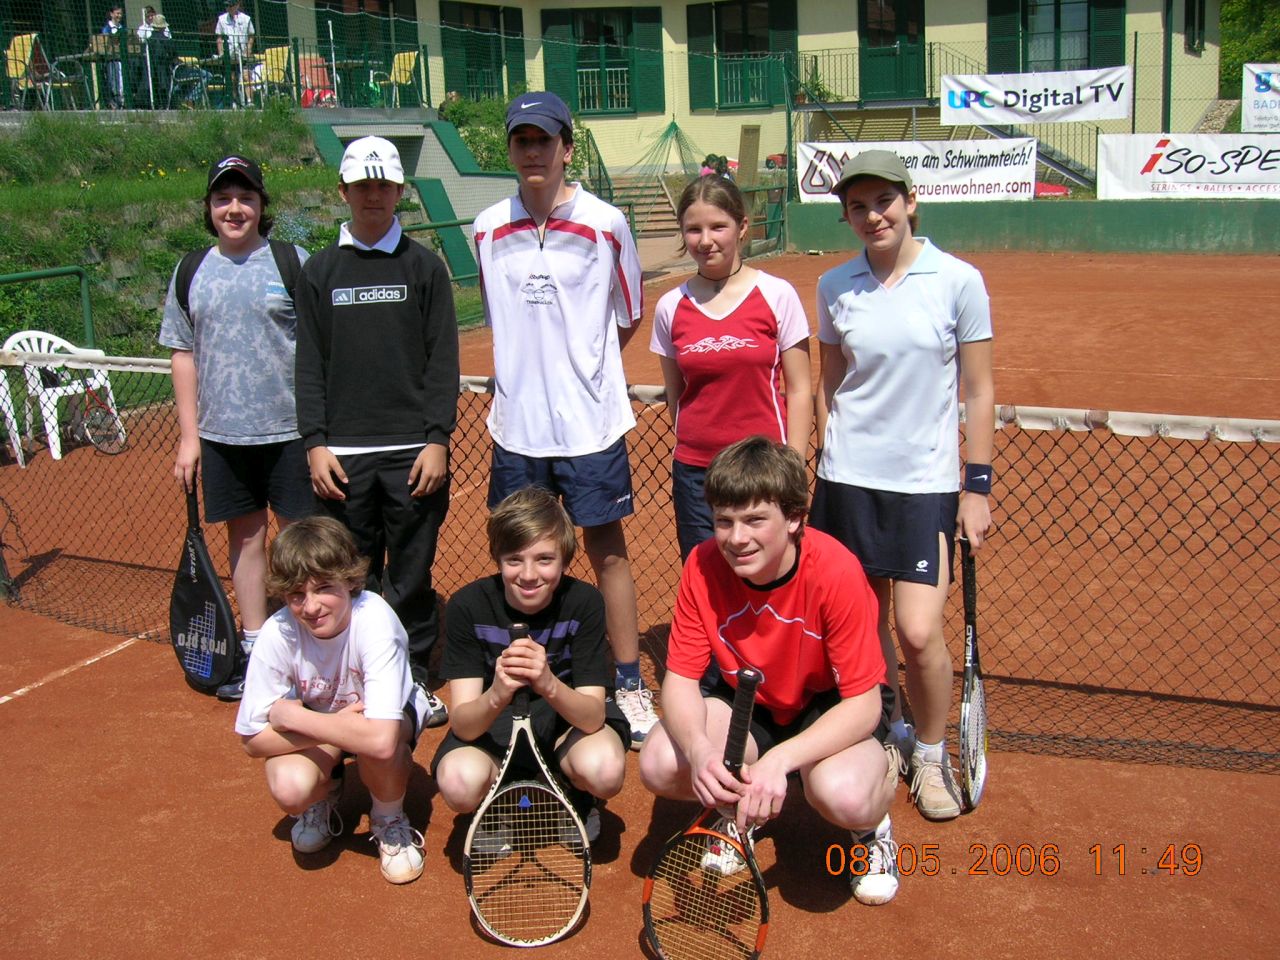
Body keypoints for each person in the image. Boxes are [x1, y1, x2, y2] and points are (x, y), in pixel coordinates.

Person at [810, 150, 994, 822]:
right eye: (857, 207)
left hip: (925, 487)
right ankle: (888, 734)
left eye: (883, 201)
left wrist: (976, 484)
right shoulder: (835, 286)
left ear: (910, 201)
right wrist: (826, 446)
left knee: (917, 632)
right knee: (863, 629)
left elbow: (979, 389)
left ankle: (930, 750)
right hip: (848, 482)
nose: (871, 216)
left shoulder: (959, 281)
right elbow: (828, 377)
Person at [637, 437, 902, 905]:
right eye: (724, 521)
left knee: (841, 793)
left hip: (830, 706)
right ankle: (737, 812)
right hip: (749, 702)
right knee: (661, 761)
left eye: (755, 519)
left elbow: (863, 702)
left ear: (795, 519)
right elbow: (679, 678)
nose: (737, 538)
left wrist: (780, 761)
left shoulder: (837, 570)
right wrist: (700, 752)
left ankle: (870, 827)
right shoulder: (701, 565)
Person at [472, 91, 659, 747]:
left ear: (567, 148)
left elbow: (628, 312)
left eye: (544, 140)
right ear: (512, 149)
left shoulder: (608, 223)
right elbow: (501, 317)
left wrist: (585, 369)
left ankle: (629, 683)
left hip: (590, 427)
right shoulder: (487, 226)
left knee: (608, 554)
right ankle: (525, 674)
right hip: (516, 427)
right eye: (522, 140)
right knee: (520, 557)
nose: (533, 151)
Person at [294, 135, 457, 732]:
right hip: (340, 459)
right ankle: (351, 679)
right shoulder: (320, 271)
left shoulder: (423, 268)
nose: (373, 196)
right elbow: (308, 364)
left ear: (399, 193)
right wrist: (314, 442)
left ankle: (410, 679)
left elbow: (441, 361)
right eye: (361, 186)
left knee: (411, 575)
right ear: (343, 191)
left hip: (414, 454)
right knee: (347, 574)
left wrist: (436, 438)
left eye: (383, 185)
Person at [158, 155, 313, 702]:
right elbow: (183, 355)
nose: (234, 208)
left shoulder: (294, 262)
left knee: (300, 545)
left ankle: (306, 647)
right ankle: (253, 647)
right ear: (208, 208)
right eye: (223, 199)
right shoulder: (191, 270)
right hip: (223, 436)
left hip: (292, 434)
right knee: (245, 543)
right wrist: (189, 436)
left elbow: (322, 348)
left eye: (245, 197)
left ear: (261, 206)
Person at [234, 516, 430, 884]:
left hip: (381, 721)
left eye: (324, 587)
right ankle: (324, 795)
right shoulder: (277, 633)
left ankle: (388, 819)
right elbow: (251, 740)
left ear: (350, 581)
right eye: (296, 595)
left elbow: (382, 738)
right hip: (339, 721)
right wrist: (337, 730)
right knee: (290, 787)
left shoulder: (374, 620)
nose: (310, 607)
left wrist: (291, 716)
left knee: (381, 750)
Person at [433, 488, 630, 842]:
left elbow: (592, 717)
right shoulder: (467, 606)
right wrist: (497, 692)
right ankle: (494, 806)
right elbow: (462, 725)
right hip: (492, 731)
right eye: (514, 559)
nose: (528, 574)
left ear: (565, 559)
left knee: (604, 768)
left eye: (544, 559)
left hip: (564, 728)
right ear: (497, 558)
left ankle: (577, 796)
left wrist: (547, 682)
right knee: (458, 782)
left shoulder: (585, 603)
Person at [651, 174, 811, 561]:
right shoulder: (671, 306)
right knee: (705, 572)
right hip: (696, 473)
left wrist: (794, 468)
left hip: (765, 470)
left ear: (742, 227)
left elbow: (801, 388)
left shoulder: (777, 295)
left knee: (772, 572)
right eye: (693, 229)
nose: (705, 240)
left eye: (717, 226)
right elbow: (677, 396)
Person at [215, 0, 255, 105]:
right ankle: (234, 101)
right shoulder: (222, 19)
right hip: (230, 55)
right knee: (232, 78)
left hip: (242, 53)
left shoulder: (246, 19)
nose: (228, 8)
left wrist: (248, 49)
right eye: (227, 6)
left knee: (247, 76)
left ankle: (250, 101)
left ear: (237, 5)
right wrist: (221, 54)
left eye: (231, 5)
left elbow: (251, 35)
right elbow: (219, 38)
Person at [101, 5, 125, 109]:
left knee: (122, 81)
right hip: (111, 59)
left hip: (122, 59)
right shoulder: (107, 29)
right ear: (111, 14)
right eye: (117, 13)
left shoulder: (122, 28)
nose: (119, 15)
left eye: (120, 13)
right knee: (113, 81)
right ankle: (114, 101)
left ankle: (122, 101)